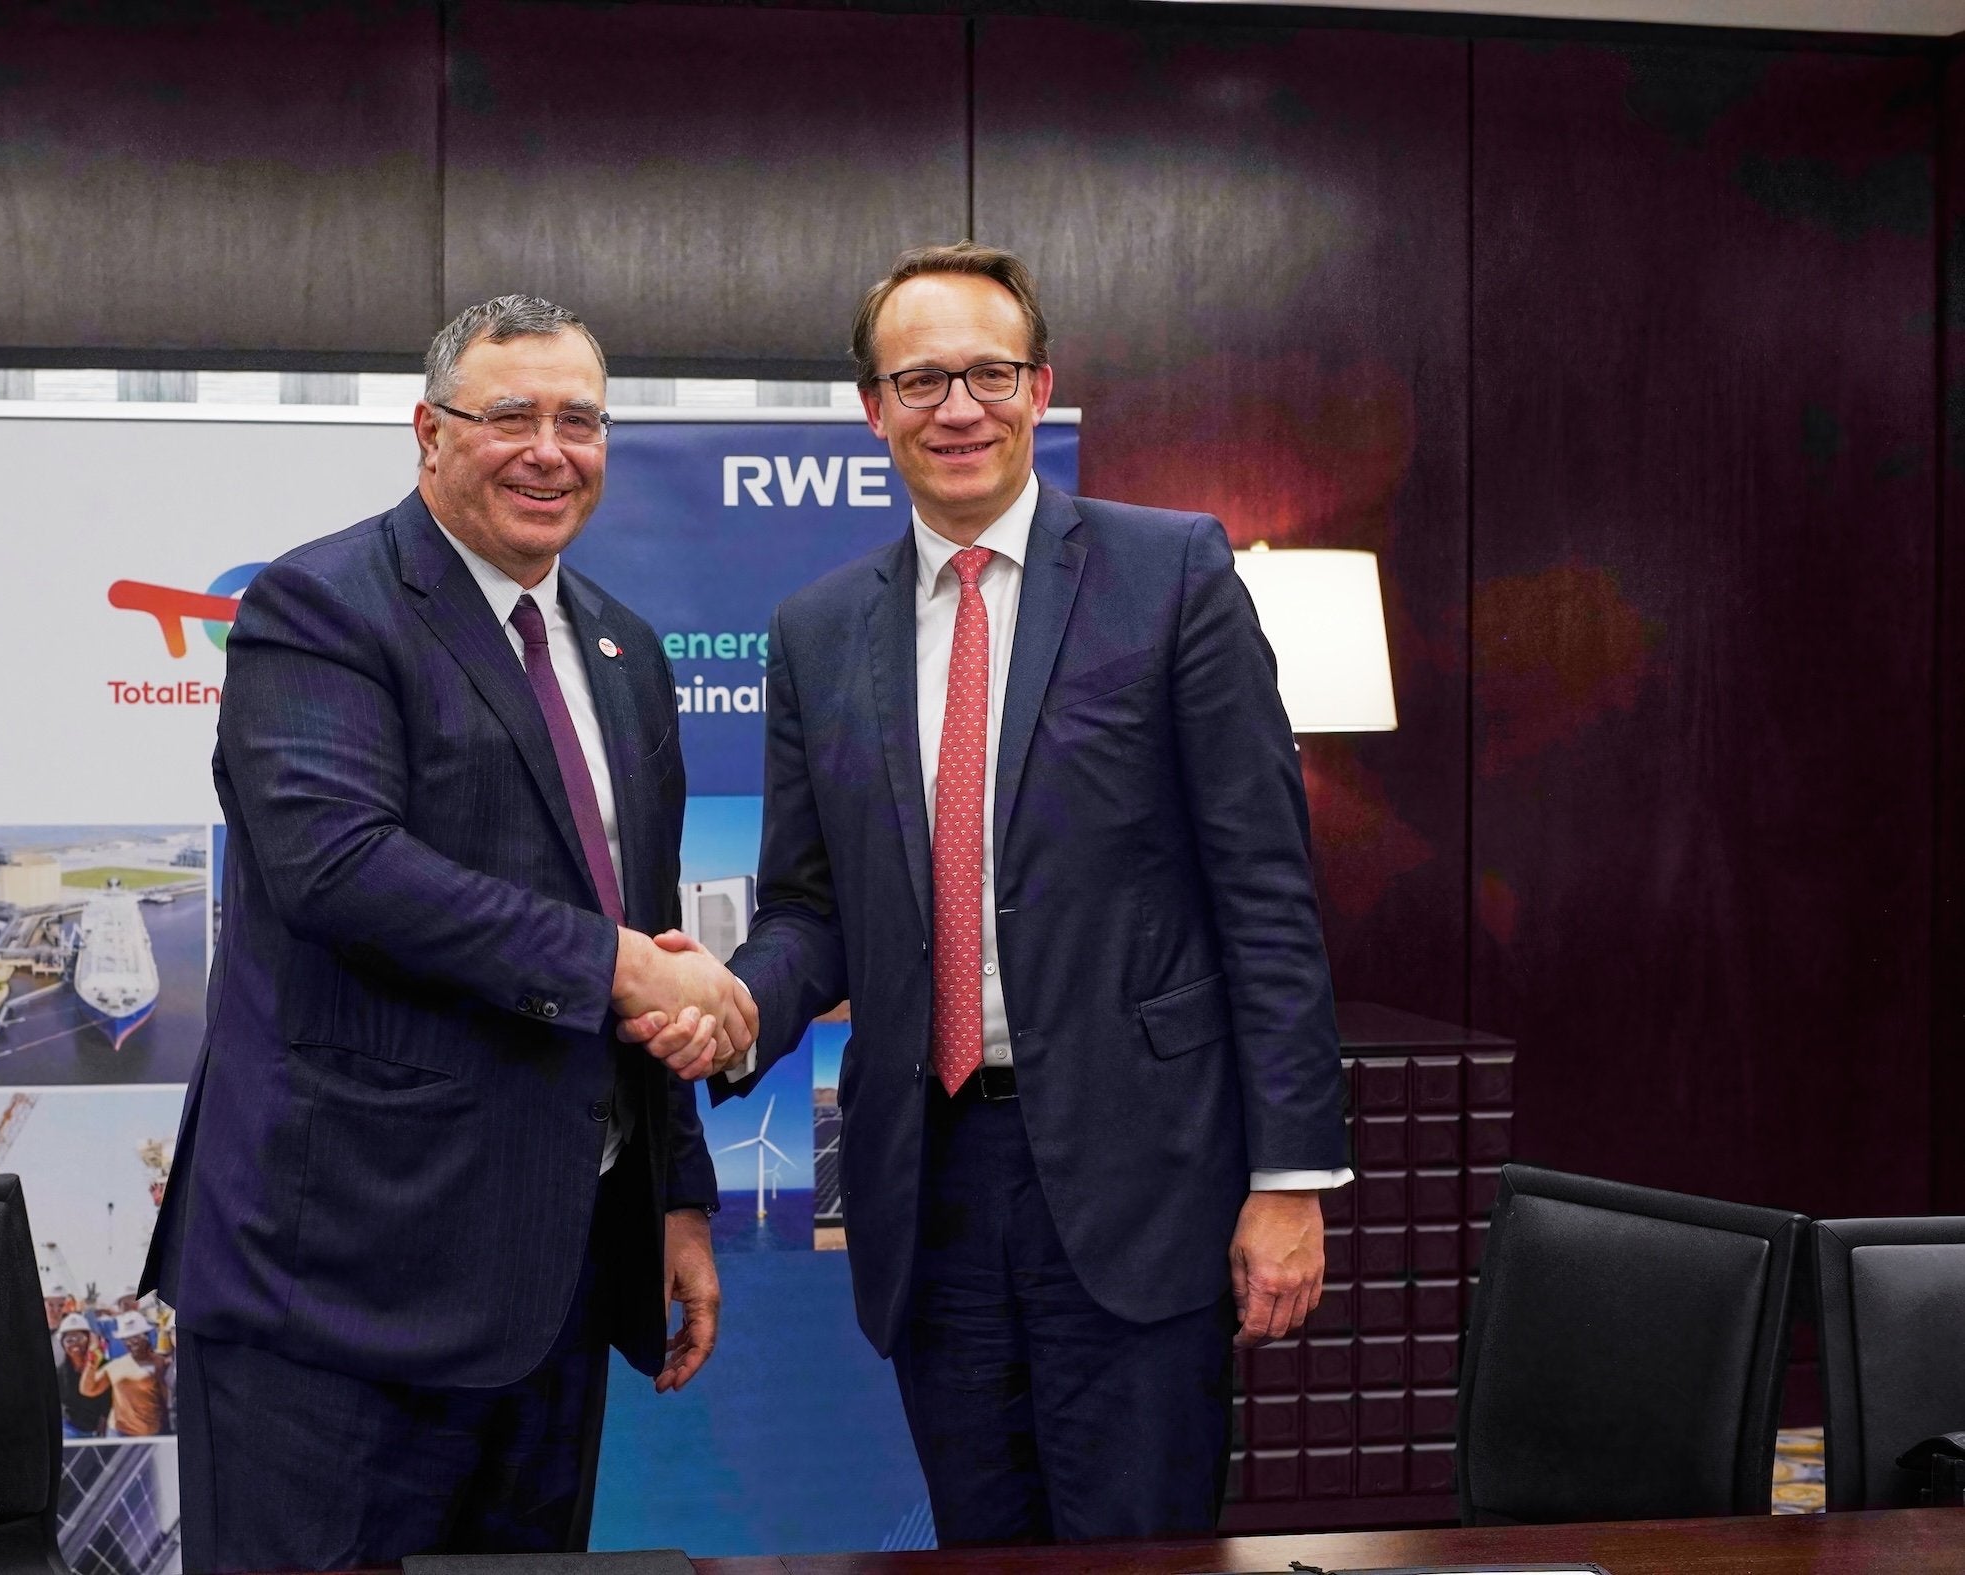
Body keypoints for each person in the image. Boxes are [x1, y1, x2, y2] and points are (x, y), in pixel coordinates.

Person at [632, 242, 1349, 1544]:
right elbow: (810, 910)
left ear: (1038, 387)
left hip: (1142, 1178)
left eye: (987, 373)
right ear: (872, 408)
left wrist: (1288, 1176)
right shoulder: (816, 630)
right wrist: (731, 1004)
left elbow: (1263, 891)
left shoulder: (1172, 574)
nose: (956, 407)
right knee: (979, 1547)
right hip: (931, 1184)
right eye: (919, 380)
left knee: (1139, 1552)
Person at [143, 294, 755, 1571]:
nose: (549, 450)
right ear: (429, 434)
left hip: (555, 1281)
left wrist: (677, 1197)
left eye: (580, 421)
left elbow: (644, 936)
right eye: (509, 416)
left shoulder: (625, 650)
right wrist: (612, 965)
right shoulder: (319, 607)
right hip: (341, 1281)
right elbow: (337, 868)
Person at [80, 1309, 171, 1438]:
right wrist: (91, 1363)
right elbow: (88, 1390)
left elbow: (168, 1399)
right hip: (118, 1433)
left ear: (146, 1336)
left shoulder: (161, 1363)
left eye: (136, 1337)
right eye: (126, 1338)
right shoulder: (116, 1365)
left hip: (152, 1434)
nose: (131, 1342)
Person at [56, 1312, 113, 1439]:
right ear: (63, 1344)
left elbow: (108, 1401)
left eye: (80, 1338)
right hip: (70, 1428)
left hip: (101, 1427)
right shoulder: (59, 1373)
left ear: (89, 1340)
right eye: (69, 1340)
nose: (75, 1344)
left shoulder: (104, 1367)